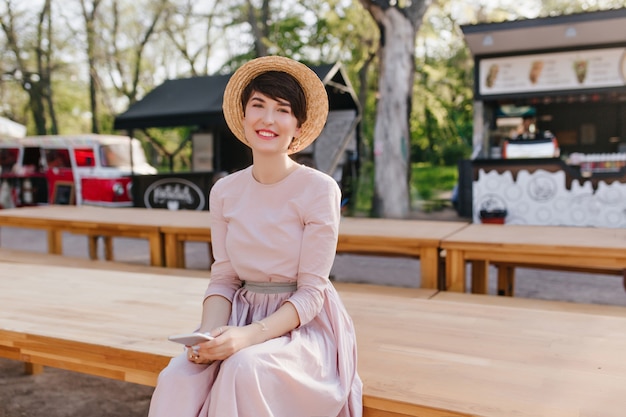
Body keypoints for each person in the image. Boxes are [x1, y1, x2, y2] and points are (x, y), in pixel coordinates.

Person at [148, 56, 363, 417]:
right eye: (258, 106)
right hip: (238, 318)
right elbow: (225, 278)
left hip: (303, 328)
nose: (268, 119)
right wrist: (210, 334)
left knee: (243, 368)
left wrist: (248, 337)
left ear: (298, 125)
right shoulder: (225, 191)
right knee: (177, 375)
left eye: (282, 110)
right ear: (243, 116)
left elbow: (312, 292)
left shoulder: (319, 189)